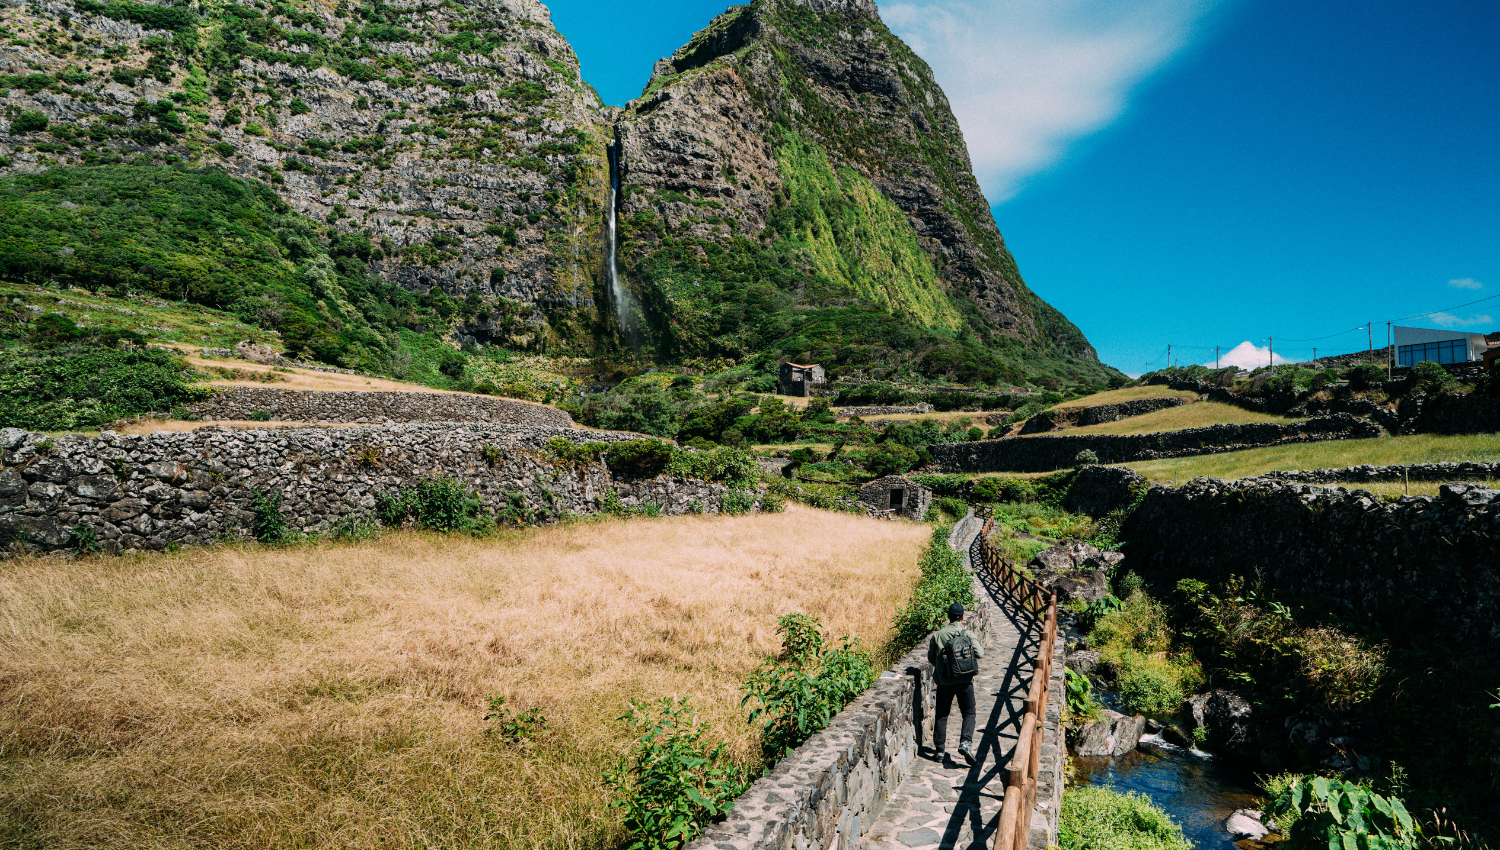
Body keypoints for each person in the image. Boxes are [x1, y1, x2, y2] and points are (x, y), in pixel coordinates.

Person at [928, 601, 984, 767]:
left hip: (945, 681)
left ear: (948, 616)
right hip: (965, 681)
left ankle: (939, 750)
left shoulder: (938, 636)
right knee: (969, 713)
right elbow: (979, 653)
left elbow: (932, 659)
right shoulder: (967, 634)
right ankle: (965, 743)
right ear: (962, 617)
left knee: (942, 714)